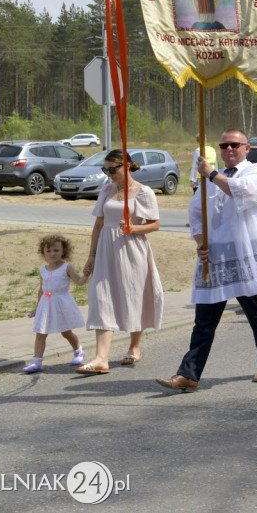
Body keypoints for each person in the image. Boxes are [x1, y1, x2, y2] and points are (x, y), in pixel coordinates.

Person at [156, 130, 257, 392]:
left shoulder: (255, 171)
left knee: (255, 311)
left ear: (246, 147)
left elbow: (246, 193)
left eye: (234, 145)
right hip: (215, 256)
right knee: (204, 319)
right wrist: (201, 243)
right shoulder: (207, 180)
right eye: (224, 145)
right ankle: (188, 373)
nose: (228, 149)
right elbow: (196, 211)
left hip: (243, 252)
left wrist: (212, 173)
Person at [77, 150, 164, 374]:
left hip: (131, 249)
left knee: (133, 295)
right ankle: (101, 358)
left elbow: (154, 224)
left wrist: (133, 227)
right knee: (101, 297)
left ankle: (135, 347)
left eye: (112, 169)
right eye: (105, 169)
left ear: (125, 166)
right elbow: (98, 224)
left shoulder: (144, 192)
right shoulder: (107, 190)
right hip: (106, 248)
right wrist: (92, 255)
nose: (108, 174)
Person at [23, 235, 87, 374]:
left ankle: (79, 351)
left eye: (56, 250)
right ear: (43, 253)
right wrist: (37, 306)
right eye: (49, 250)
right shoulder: (43, 270)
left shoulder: (67, 267)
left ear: (63, 251)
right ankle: (36, 362)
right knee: (41, 332)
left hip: (62, 302)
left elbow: (79, 281)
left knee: (66, 332)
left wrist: (87, 274)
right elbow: (42, 289)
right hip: (46, 304)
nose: (52, 253)